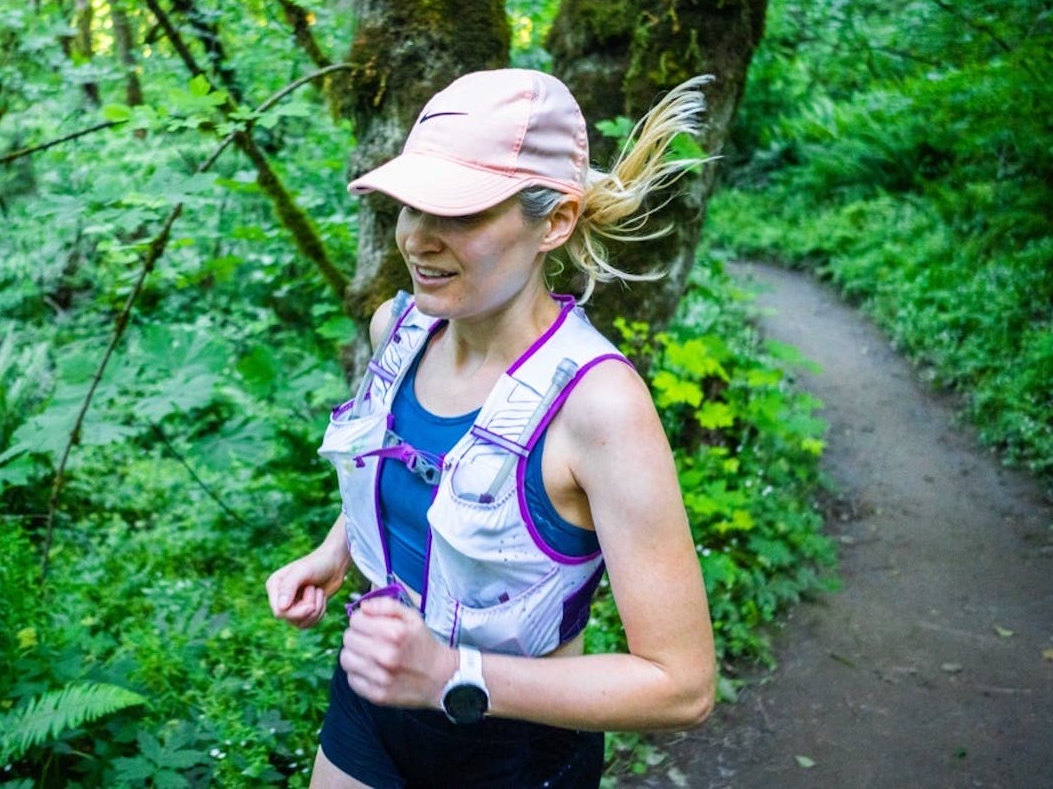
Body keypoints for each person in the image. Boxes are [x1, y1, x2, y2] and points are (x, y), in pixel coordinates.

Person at [266, 68, 717, 788]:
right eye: (411, 206)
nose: (417, 239)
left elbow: (682, 684)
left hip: (516, 751)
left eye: (461, 214)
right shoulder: (403, 328)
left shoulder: (597, 408)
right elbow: (417, 476)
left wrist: (449, 675)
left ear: (556, 221)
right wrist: (336, 551)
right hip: (373, 708)